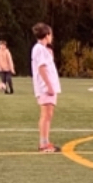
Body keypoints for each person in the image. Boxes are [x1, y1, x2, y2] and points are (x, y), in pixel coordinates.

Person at [31, 23, 60, 152]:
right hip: (45, 87)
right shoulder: (39, 49)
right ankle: (43, 143)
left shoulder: (43, 49)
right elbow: (41, 68)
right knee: (45, 114)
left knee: (48, 115)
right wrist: (49, 86)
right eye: (51, 34)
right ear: (47, 35)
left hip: (47, 87)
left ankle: (46, 141)